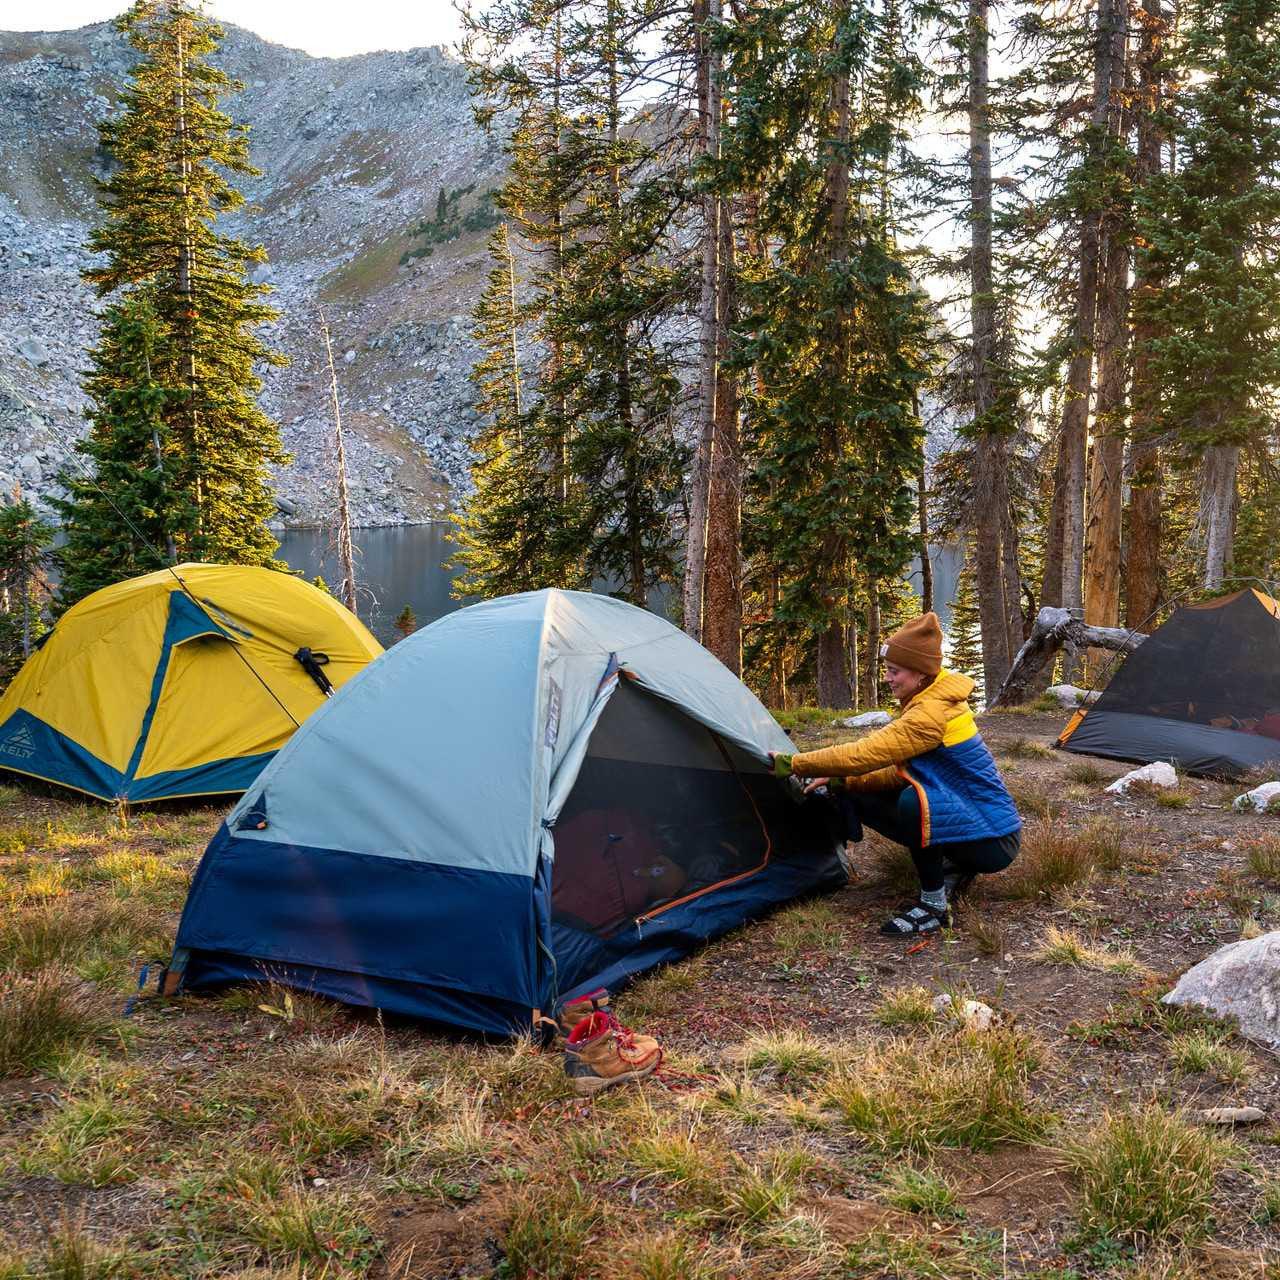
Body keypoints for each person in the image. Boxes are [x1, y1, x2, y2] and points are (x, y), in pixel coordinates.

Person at [770, 612, 1021, 936]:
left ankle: (934, 905)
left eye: (894, 671)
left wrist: (795, 763)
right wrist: (839, 781)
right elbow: (901, 771)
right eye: (887, 670)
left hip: (992, 841)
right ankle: (953, 867)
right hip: (980, 830)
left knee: (913, 802)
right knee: (859, 788)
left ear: (919, 674)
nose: (887, 678)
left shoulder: (929, 715)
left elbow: (864, 754)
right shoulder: (931, 698)